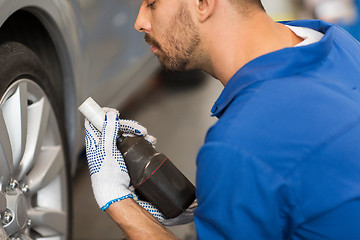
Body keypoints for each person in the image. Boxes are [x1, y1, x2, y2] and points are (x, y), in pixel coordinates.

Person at [84, 0, 360, 239]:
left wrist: (119, 203)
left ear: (203, 3)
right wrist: (216, 201)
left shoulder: (239, 144)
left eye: (152, 4)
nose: (140, 22)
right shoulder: (335, 41)